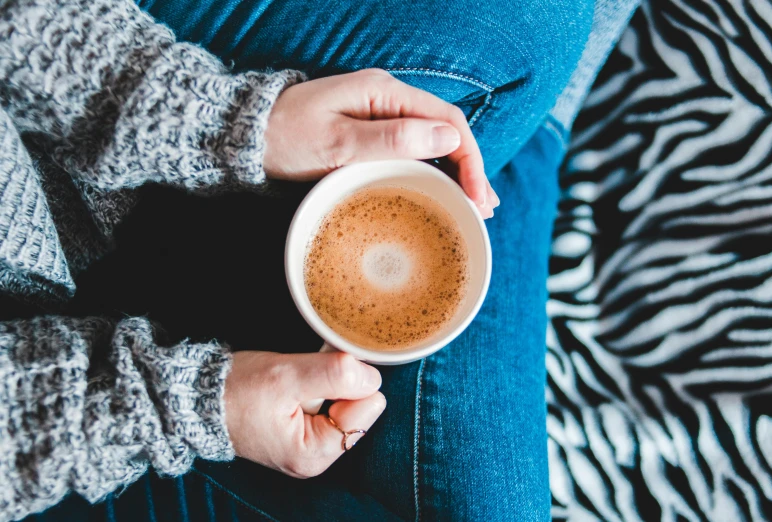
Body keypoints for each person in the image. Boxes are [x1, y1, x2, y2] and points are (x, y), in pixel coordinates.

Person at [0, 0, 609, 520]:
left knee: (536, 24)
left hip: (54, 143)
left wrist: (227, 121)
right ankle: (543, 134)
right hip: (61, 428)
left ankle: (542, 131)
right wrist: (173, 403)